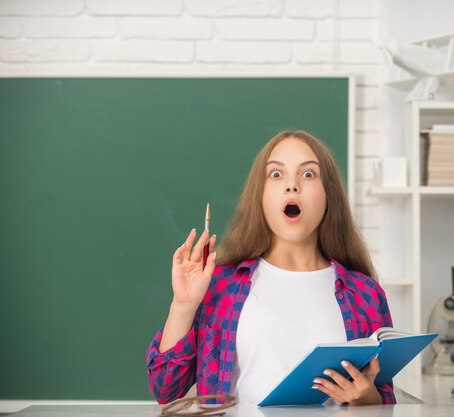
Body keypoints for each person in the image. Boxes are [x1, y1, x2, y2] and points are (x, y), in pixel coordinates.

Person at [146, 130, 396, 406]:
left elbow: (384, 399)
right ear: (261, 197)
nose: (292, 186)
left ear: (329, 195)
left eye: (309, 174)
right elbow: (165, 389)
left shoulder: (364, 293)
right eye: (276, 175)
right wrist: (183, 305)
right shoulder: (220, 285)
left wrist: (366, 397)